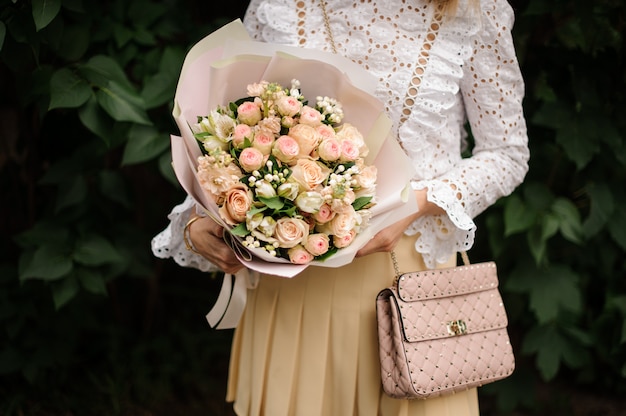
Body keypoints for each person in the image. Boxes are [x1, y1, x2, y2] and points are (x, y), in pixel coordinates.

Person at [151, 0, 529, 414]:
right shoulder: (276, 6)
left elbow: (507, 153)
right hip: (288, 286)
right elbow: (234, 131)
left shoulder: (477, 10)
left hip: (408, 290)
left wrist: (418, 203)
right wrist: (197, 218)